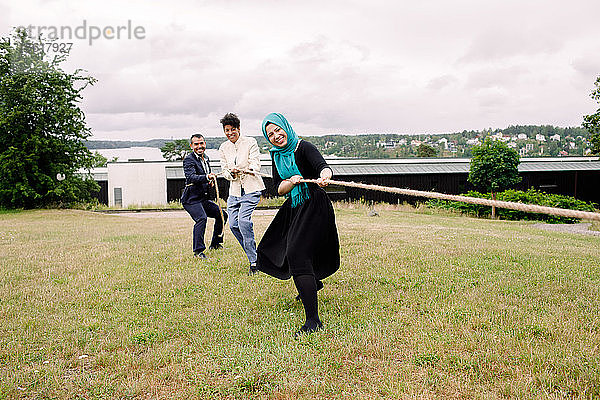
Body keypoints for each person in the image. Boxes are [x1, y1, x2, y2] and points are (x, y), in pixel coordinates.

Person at [257, 113, 340, 337]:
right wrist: (288, 182)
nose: (276, 136)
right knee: (278, 247)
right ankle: (312, 283)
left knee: (297, 253)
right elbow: (277, 189)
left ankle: (313, 321)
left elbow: (323, 167)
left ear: (286, 127)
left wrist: (325, 176)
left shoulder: (304, 147)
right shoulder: (276, 156)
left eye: (278, 130)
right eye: (270, 134)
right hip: (295, 205)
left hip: (314, 204)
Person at [218, 113, 265, 274]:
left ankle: (254, 262)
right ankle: (254, 255)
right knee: (233, 225)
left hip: (251, 189)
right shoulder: (223, 148)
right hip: (234, 192)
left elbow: (255, 164)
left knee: (244, 222)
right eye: (227, 130)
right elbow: (224, 170)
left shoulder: (250, 142)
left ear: (239, 128)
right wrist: (231, 173)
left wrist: (246, 170)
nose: (230, 133)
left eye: (232, 129)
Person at [181, 133, 226, 259]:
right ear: (191, 146)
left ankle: (215, 244)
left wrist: (209, 182)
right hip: (191, 200)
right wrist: (207, 177)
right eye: (196, 144)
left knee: (222, 215)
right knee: (202, 218)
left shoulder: (206, 158)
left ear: (205, 144)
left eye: (201, 143)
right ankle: (198, 251)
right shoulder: (189, 159)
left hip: (203, 199)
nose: (199, 146)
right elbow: (191, 177)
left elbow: (203, 176)